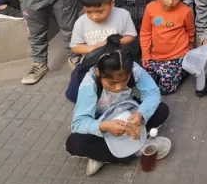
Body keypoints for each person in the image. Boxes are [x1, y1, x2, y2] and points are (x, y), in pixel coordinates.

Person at [66, 36, 172, 176]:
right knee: (74, 143)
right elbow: (78, 123)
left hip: (128, 111)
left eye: (125, 80)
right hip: (102, 121)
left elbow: (152, 93)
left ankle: (104, 155)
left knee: (161, 110)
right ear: (98, 72)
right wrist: (105, 126)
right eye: (111, 83)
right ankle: (137, 151)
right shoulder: (89, 83)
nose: (119, 88)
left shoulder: (133, 69)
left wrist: (141, 114)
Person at [65, 0, 138, 102]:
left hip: (117, 65)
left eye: (100, 11)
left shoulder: (123, 15)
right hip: (91, 65)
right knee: (73, 95)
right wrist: (95, 48)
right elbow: (75, 47)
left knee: (132, 85)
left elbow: (131, 36)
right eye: (89, 12)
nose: (94, 17)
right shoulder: (81, 22)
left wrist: (114, 43)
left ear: (112, 3)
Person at [140, 0, 195, 94]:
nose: (170, 2)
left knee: (165, 89)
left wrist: (190, 49)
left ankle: (183, 71)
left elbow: (190, 31)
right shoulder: (150, 8)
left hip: (176, 56)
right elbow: (145, 32)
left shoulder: (186, 11)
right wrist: (145, 54)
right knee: (146, 83)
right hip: (155, 57)